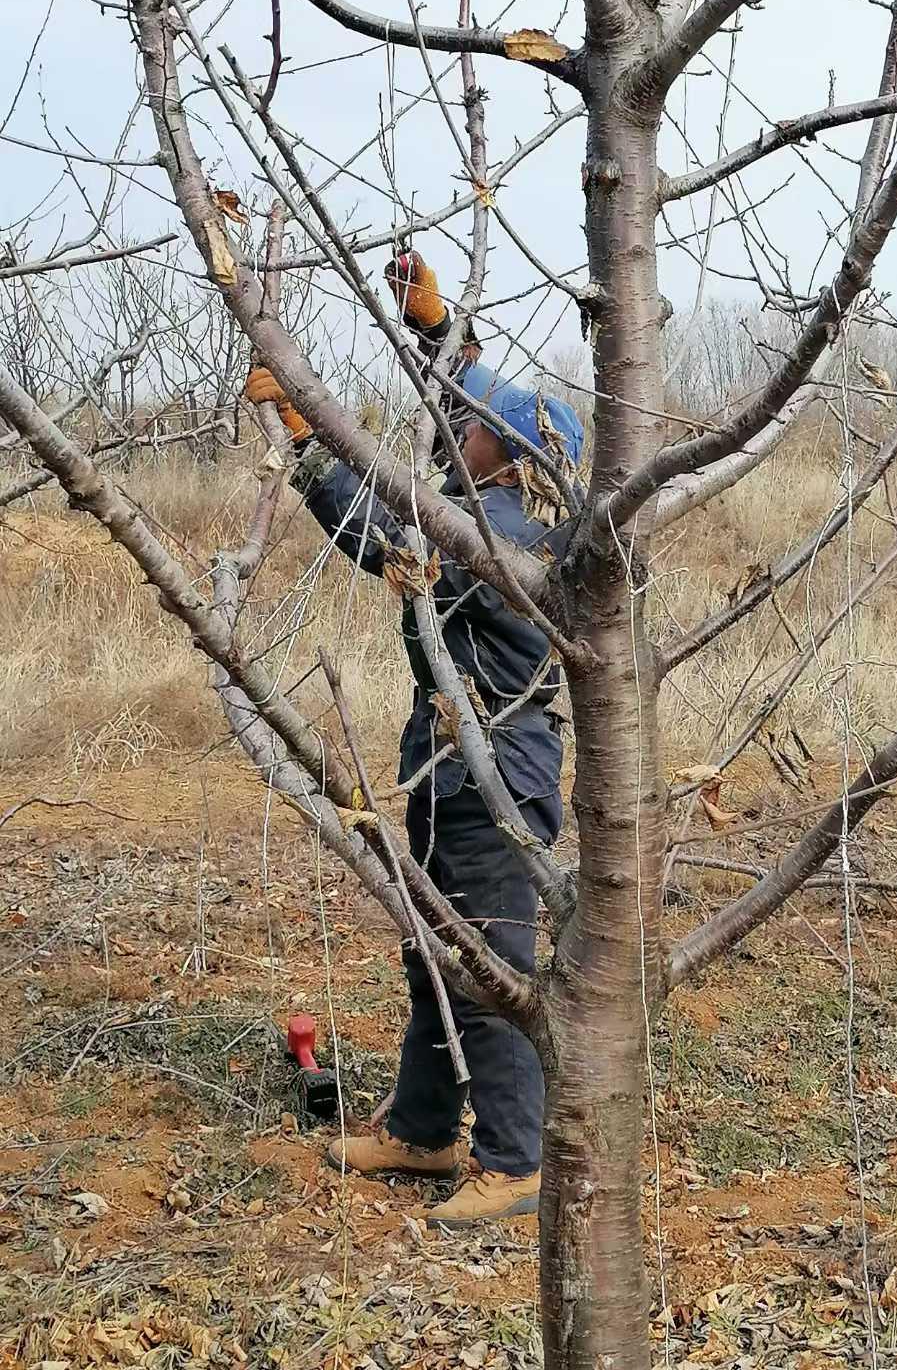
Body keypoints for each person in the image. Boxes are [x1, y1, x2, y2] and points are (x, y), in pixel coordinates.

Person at [243, 251, 584, 1229]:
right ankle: (426, 1130)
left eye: (472, 427)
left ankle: (515, 1159)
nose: (457, 434)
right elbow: (452, 427)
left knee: (485, 966)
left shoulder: (501, 535)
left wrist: (309, 446)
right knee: (436, 953)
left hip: (493, 781)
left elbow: (383, 536)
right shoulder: (504, 498)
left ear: (506, 453)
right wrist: (436, 337)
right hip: (453, 766)